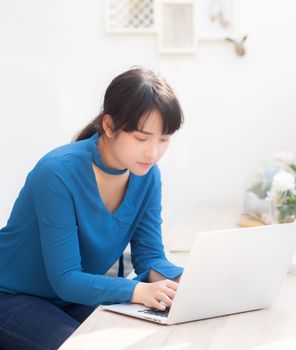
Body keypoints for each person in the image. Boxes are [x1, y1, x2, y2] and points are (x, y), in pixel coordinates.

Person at [0, 67, 184, 350]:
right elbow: (65, 278)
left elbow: (148, 257)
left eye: (164, 139)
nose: (154, 152)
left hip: (74, 298)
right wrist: (138, 290)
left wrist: (182, 280)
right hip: (12, 296)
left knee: (152, 339)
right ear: (109, 126)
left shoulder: (148, 174)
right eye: (141, 138)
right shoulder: (57, 173)